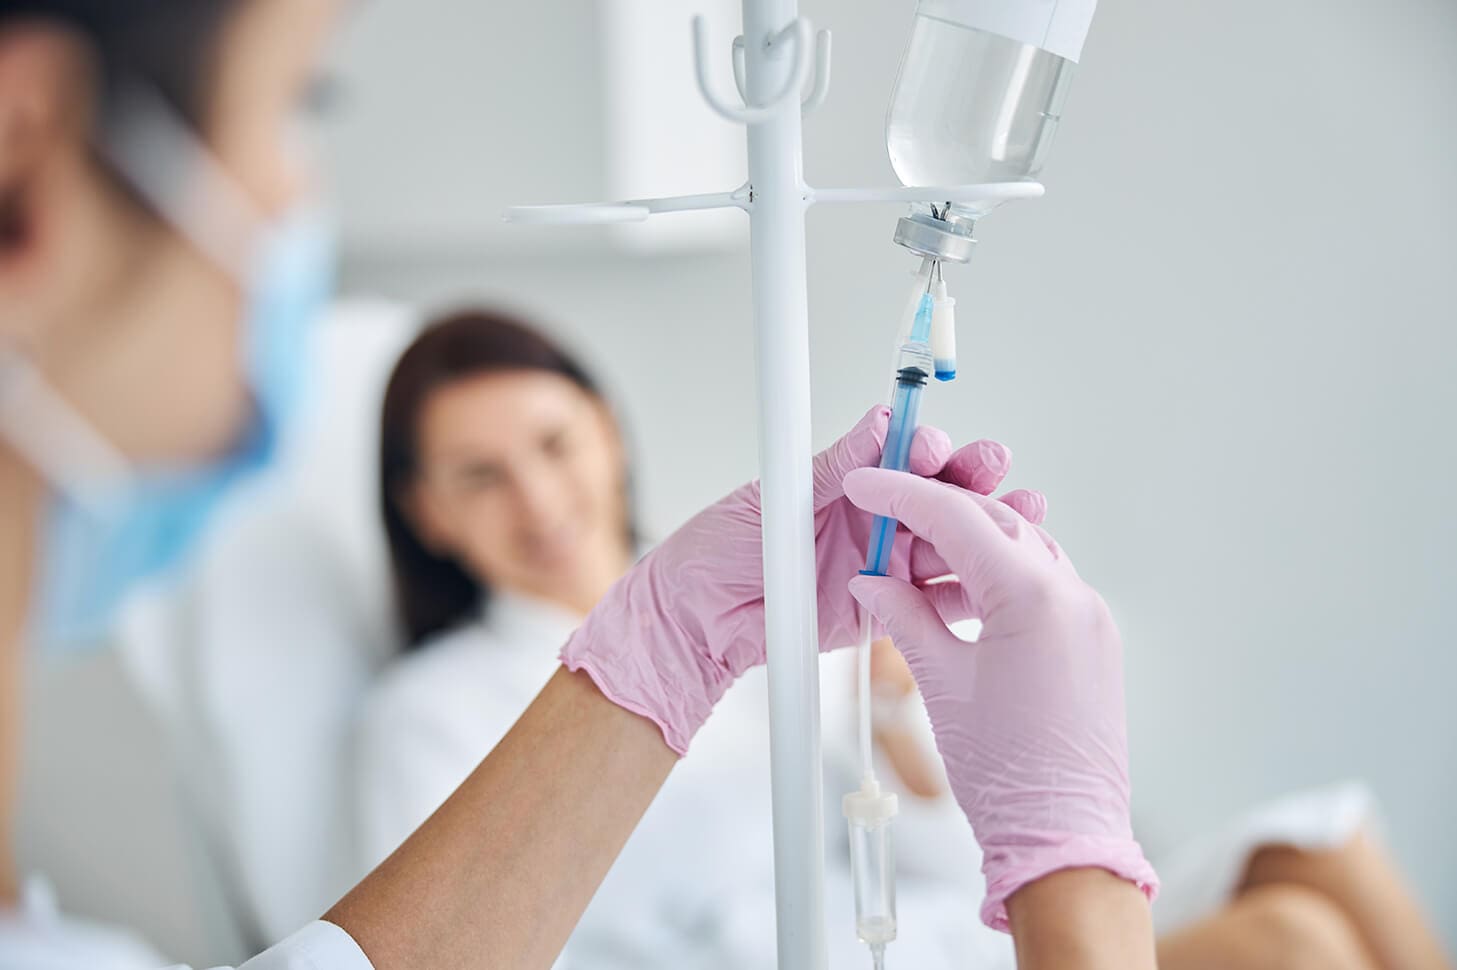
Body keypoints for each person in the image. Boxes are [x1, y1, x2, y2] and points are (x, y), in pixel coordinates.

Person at [360, 310, 1456, 970]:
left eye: (554, 442)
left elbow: (927, 858)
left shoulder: (764, 595)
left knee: (1323, 839)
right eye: (478, 474)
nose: (539, 496)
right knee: (1296, 942)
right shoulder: (432, 710)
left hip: (931, 920)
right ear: (427, 511)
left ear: (605, 430)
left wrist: (894, 713)